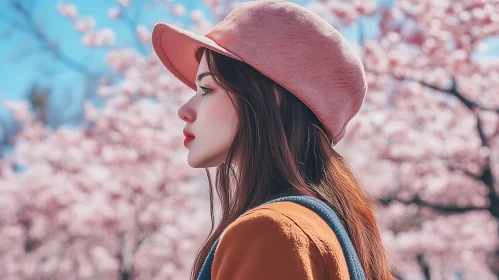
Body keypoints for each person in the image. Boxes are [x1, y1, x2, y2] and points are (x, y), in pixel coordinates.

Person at [152, 0, 397, 279]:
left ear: (274, 97)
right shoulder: (329, 231)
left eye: (207, 89)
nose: (184, 111)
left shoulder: (272, 232)